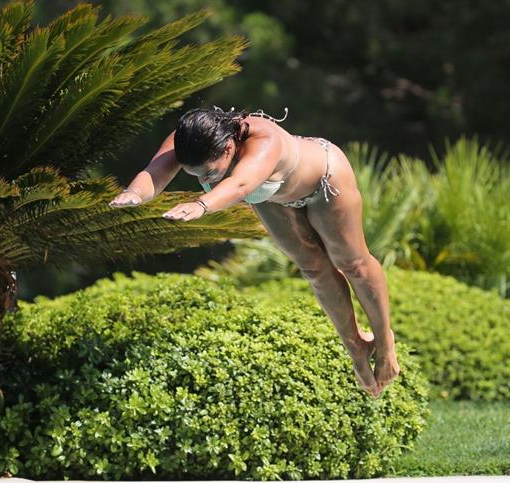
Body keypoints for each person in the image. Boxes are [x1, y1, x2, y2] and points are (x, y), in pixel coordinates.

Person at [109, 106, 400, 397]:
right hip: (273, 195)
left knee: (352, 264)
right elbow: (154, 174)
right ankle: (357, 346)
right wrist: (133, 194)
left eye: (209, 172)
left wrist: (200, 205)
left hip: (325, 181)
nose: (206, 178)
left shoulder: (264, 142)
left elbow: (240, 184)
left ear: (228, 147)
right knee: (314, 269)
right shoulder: (189, 139)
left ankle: (385, 345)